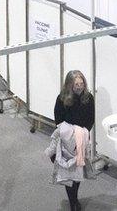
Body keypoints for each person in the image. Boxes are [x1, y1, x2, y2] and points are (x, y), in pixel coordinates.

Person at [51, 71, 95, 211]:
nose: (79, 86)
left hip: (81, 141)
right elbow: (58, 120)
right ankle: (73, 202)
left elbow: (90, 119)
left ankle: (74, 200)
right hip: (66, 142)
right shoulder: (62, 98)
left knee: (77, 173)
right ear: (70, 84)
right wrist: (70, 135)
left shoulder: (88, 98)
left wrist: (82, 134)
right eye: (76, 84)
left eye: (81, 84)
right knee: (69, 174)